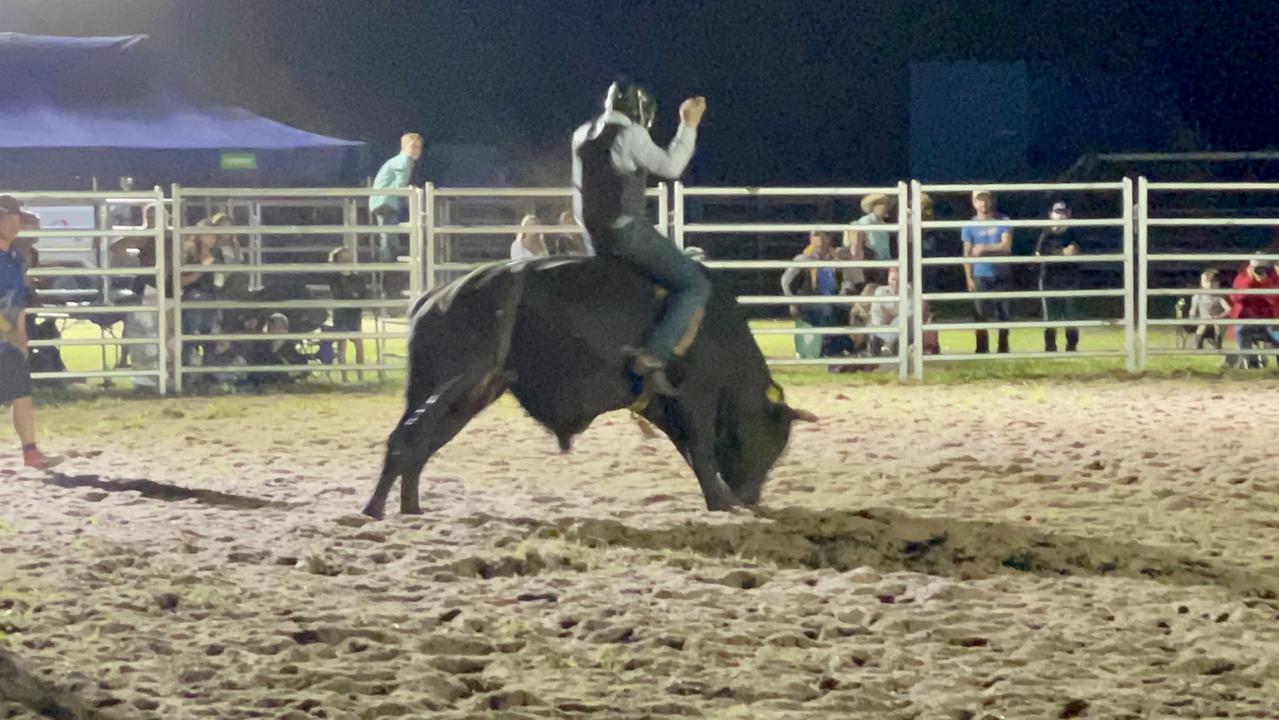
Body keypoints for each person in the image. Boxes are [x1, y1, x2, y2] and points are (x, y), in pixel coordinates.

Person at [571, 81, 709, 395]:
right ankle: (654, 354)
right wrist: (688, 126)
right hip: (626, 232)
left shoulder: (581, 134)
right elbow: (671, 167)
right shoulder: (631, 135)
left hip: (593, 237)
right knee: (694, 284)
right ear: (638, 110)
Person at [0, 196, 60, 469]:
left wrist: (20, 334)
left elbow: (19, 302)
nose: (14, 224)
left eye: (16, 219)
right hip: (5, 334)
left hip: (7, 339)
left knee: (22, 393)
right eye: (7, 218)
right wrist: (11, 331)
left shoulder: (15, 258)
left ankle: (31, 451)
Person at [962, 190, 1013, 354]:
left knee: (1003, 313)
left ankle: (1003, 347)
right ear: (974, 203)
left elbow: (1006, 246)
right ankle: (982, 348)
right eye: (979, 200)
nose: (983, 204)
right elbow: (967, 253)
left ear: (992, 201)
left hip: (1001, 272)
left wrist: (984, 248)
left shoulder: (1003, 220)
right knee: (980, 314)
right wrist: (969, 277)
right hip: (980, 274)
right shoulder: (969, 225)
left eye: (986, 200)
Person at [1034, 200, 1082, 352]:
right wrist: (1062, 252)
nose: (1060, 216)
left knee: (1070, 313)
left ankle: (1071, 346)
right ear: (1051, 215)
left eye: (1063, 212)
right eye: (1057, 212)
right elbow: (1039, 253)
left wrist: (1055, 253)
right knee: (1050, 315)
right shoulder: (1046, 232)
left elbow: (1076, 251)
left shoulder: (1073, 232)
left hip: (1069, 277)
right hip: (1048, 277)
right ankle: (1050, 346)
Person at [370, 132, 424, 262]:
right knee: (389, 240)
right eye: (413, 146)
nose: (417, 150)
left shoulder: (397, 161)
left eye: (418, 147)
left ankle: (389, 269)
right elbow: (401, 185)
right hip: (386, 202)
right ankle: (389, 269)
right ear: (405, 146)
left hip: (384, 201)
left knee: (389, 237)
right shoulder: (404, 161)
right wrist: (410, 191)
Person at [1228, 258, 1279, 368]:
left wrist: (1264, 283)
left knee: (1276, 332)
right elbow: (1235, 298)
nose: (1259, 272)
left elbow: (1273, 299)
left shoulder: (1271, 280)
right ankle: (1251, 363)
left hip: (1267, 319)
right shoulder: (1241, 278)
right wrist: (1250, 281)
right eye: (1256, 269)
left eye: (1263, 269)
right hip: (1246, 318)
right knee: (1241, 331)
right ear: (1250, 267)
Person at [326, 246, 367, 380]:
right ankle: (344, 377)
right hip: (342, 313)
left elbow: (362, 294)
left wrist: (356, 297)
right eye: (344, 258)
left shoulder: (358, 278)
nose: (347, 261)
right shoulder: (334, 278)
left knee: (359, 345)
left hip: (354, 313)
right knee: (342, 344)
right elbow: (339, 294)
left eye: (349, 258)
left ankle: (360, 376)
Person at [849, 193, 895, 285]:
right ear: (873, 206)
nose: (884, 207)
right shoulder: (866, 221)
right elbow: (854, 230)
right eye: (880, 204)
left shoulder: (883, 224)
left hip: (884, 262)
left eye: (885, 205)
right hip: (871, 261)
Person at [1186, 269, 1230, 351]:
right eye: (1207, 282)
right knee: (1204, 323)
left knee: (1217, 323)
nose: (1210, 285)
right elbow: (1193, 310)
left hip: (1215, 319)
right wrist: (1192, 318)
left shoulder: (1219, 298)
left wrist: (1219, 316)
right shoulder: (1198, 296)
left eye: (1213, 282)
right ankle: (1198, 344)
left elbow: (1228, 309)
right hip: (1201, 319)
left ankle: (1218, 343)